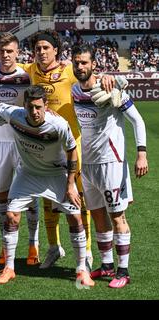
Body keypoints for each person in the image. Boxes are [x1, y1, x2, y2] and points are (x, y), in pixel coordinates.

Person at [0, 85, 94, 287]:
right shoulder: (15, 115)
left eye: (39, 107)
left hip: (56, 174)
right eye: (30, 107)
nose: (35, 112)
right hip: (28, 174)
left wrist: (70, 184)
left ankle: (82, 269)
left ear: (46, 105)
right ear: (24, 105)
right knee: (11, 215)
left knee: (74, 216)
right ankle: (9, 268)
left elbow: (72, 151)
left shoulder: (59, 125)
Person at [71, 44, 148, 288]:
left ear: (94, 64)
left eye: (84, 62)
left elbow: (137, 121)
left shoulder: (109, 88)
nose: (80, 67)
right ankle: (106, 266)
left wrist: (142, 154)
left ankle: (123, 271)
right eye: (76, 63)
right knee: (97, 214)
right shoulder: (74, 89)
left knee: (117, 216)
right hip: (89, 163)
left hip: (111, 162)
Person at [20, 29, 93, 269]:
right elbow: (2, 64)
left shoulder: (70, 70)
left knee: (80, 197)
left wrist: (113, 79)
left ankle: (88, 251)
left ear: (56, 50)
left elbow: (93, 78)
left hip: (73, 143)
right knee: (48, 197)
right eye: (37, 48)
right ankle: (54, 247)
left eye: (45, 48)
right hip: (46, 146)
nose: (41, 52)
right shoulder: (31, 70)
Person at [0, 32, 40, 266]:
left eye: (10, 51)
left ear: (18, 53)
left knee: (29, 195)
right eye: (2, 51)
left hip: (23, 143)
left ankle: (34, 245)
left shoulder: (26, 76)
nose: (5, 55)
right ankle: (6, 247)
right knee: (2, 196)